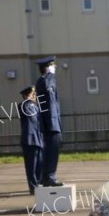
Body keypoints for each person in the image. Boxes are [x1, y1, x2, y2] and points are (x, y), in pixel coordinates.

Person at [35, 56, 63, 187]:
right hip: (49, 124)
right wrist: (49, 74)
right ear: (47, 67)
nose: (54, 68)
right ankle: (49, 177)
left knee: (53, 151)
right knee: (51, 152)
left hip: (54, 123)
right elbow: (46, 87)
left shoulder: (49, 80)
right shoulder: (43, 81)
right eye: (52, 65)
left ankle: (48, 176)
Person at [19, 86, 43, 195]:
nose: (34, 96)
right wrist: (29, 99)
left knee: (39, 164)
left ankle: (39, 184)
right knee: (31, 166)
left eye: (34, 94)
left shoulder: (36, 107)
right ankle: (33, 187)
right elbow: (30, 114)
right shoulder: (23, 105)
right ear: (26, 95)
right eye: (32, 94)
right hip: (29, 139)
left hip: (38, 139)